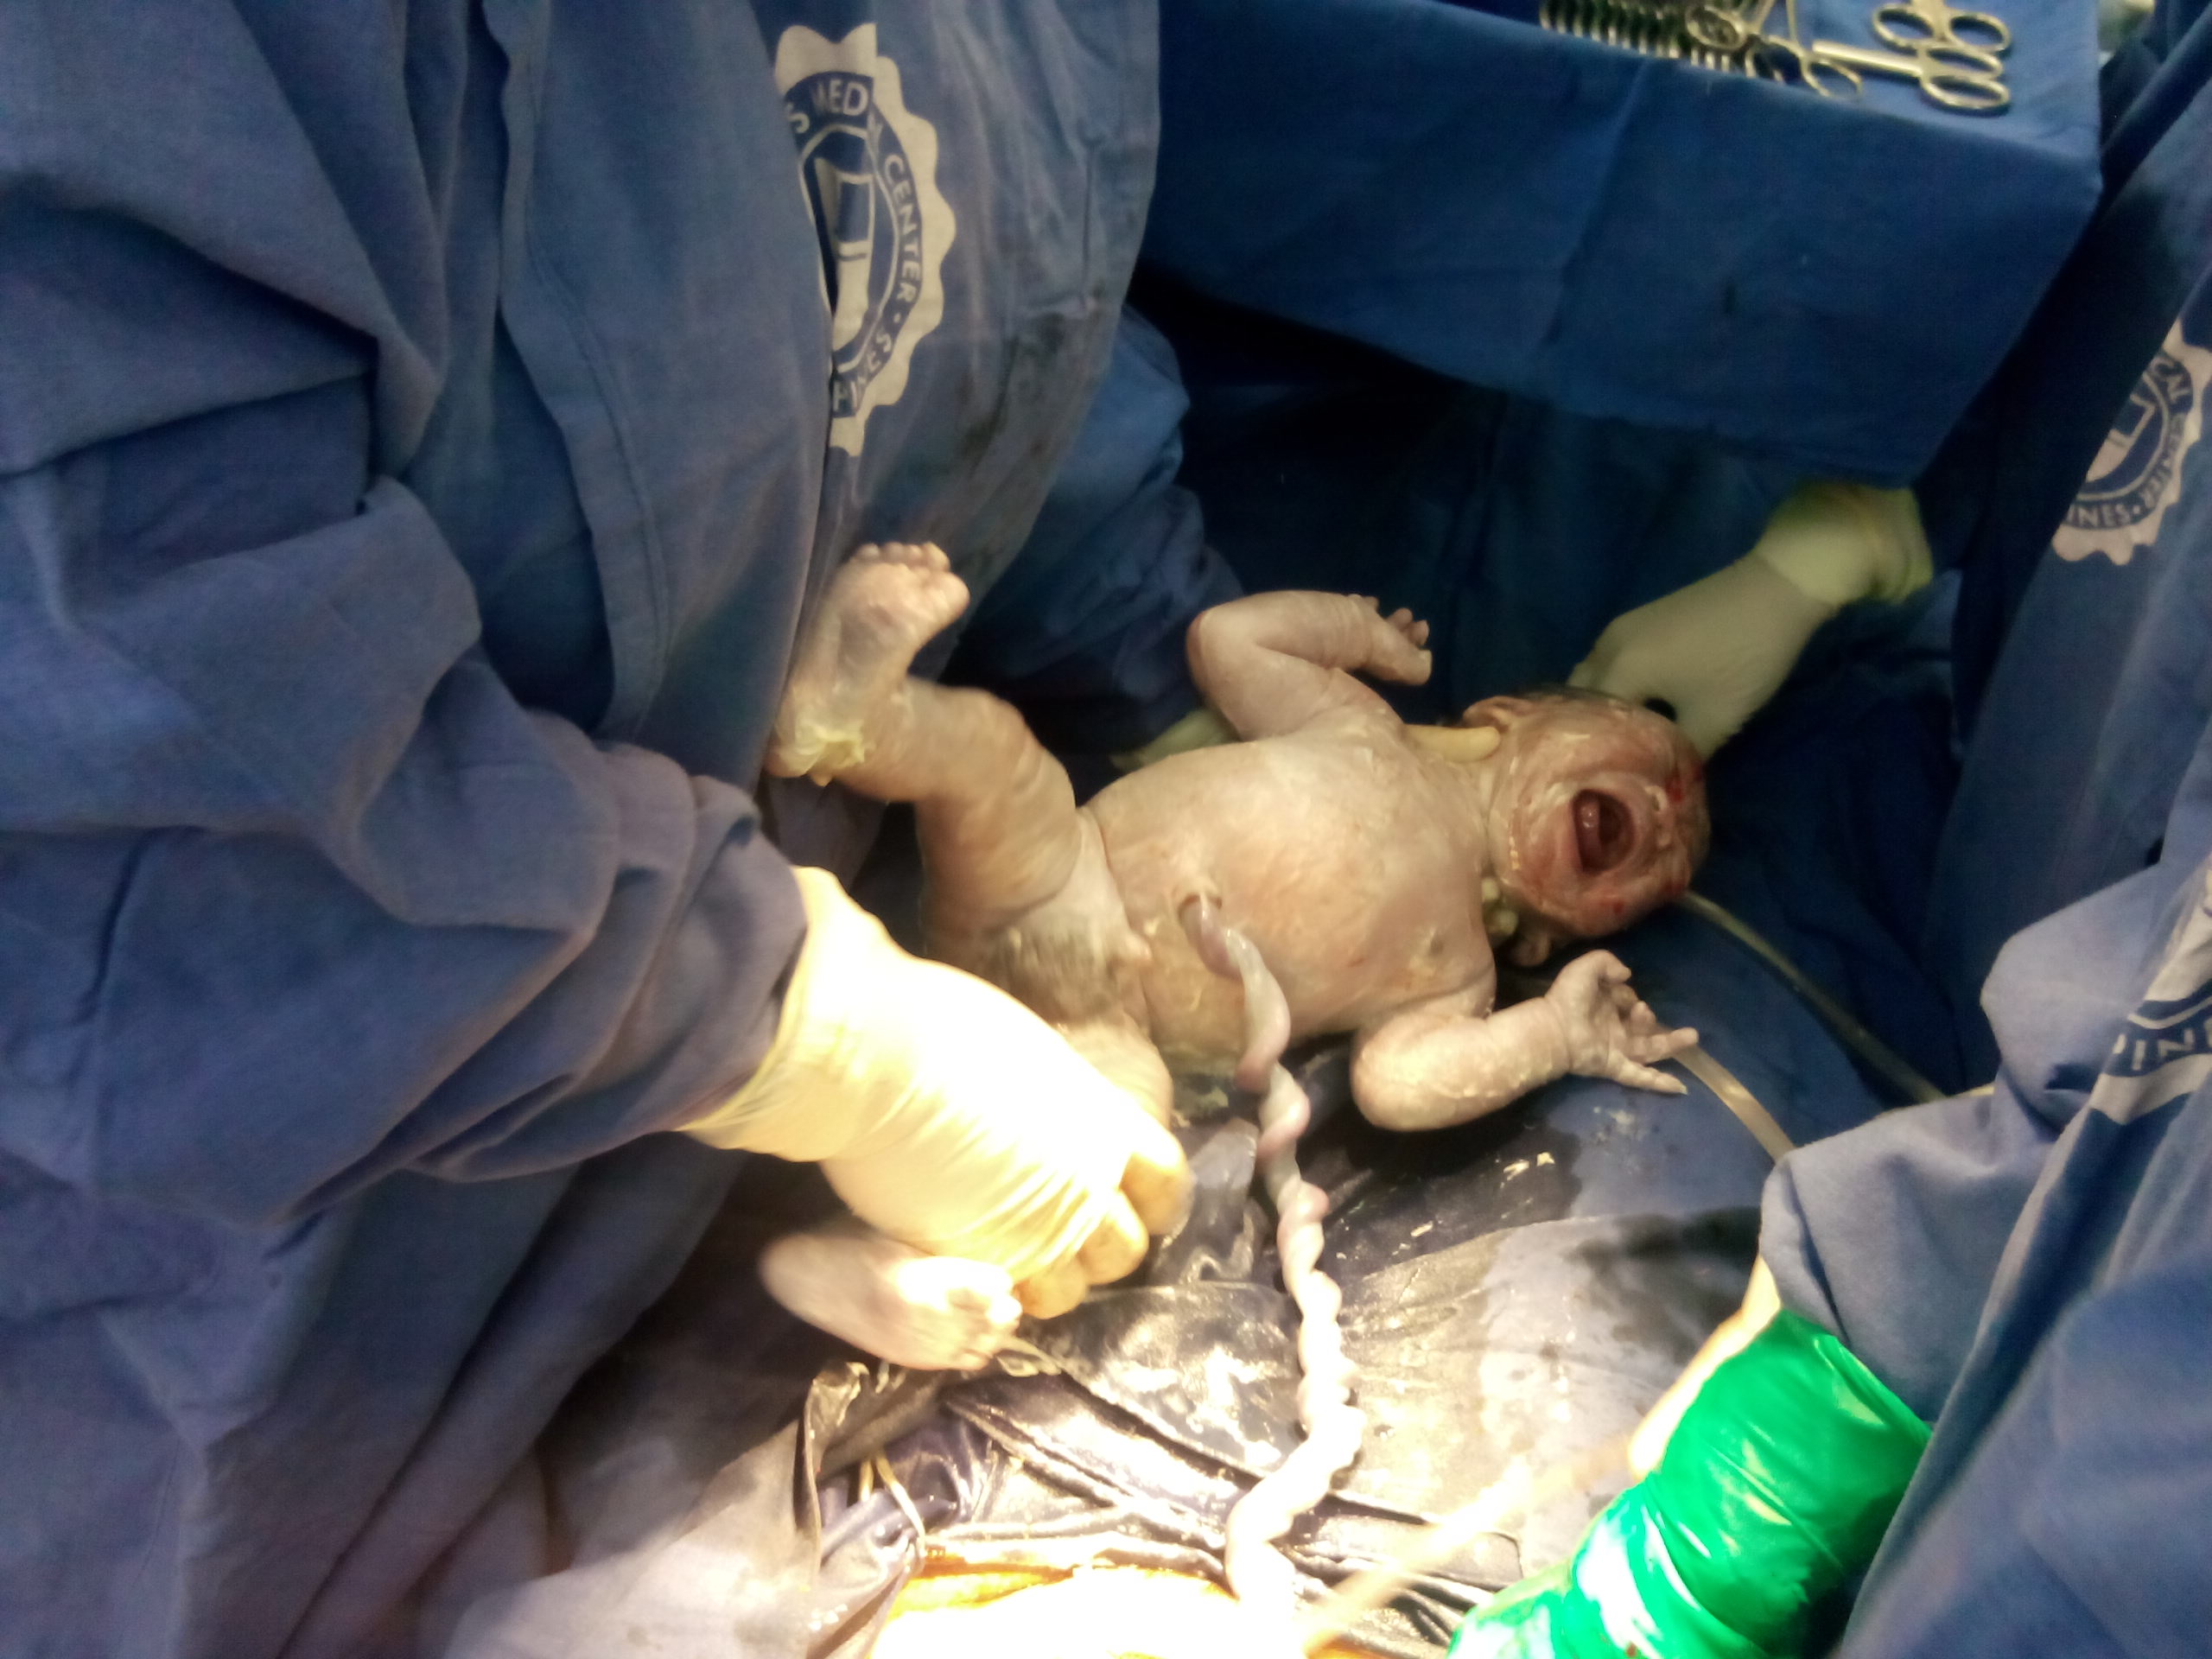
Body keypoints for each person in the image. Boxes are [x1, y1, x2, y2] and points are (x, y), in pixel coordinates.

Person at [0, 4, 1227, 1656]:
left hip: (725, 1218)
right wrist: (811, 1032)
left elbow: (997, 307)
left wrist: (1169, 681)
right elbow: (119, 731)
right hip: (262, 1302)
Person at [1451, 0, 2212, 1648]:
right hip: (2017, 902)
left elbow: (2174, 1061)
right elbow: (2104, 289)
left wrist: (1884, 1314)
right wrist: (1856, 537)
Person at [748, 561, 1705, 1368]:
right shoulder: (1359, 725)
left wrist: (1554, 1033)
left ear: (1551, 939)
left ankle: (872, 1262)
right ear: (1512, 716)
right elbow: (1229, 639)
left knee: (1117, 1169)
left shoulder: (1457, 971)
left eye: (1668, 868)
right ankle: (849, 720)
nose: (1666, 820)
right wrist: (1358, 632)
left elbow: (1398, 1085)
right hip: (1057, 876)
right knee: (997, 760)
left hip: (1103, 1030)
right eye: (1663, 764)